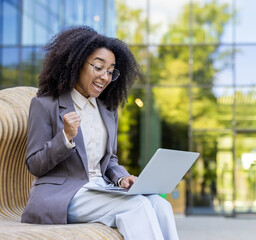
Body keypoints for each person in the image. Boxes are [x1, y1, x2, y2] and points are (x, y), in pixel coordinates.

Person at [21, 26, 179, 240]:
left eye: (110, 71)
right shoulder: (45, 105)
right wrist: (65, 138)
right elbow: (34, 165)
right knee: (137, 206)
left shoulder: (107, 110)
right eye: (98, 67)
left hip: (101, 189)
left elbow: (109, 160)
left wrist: (121, 178)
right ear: (77, 65)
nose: (104, 77)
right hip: (65, 195)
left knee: (160, 204)